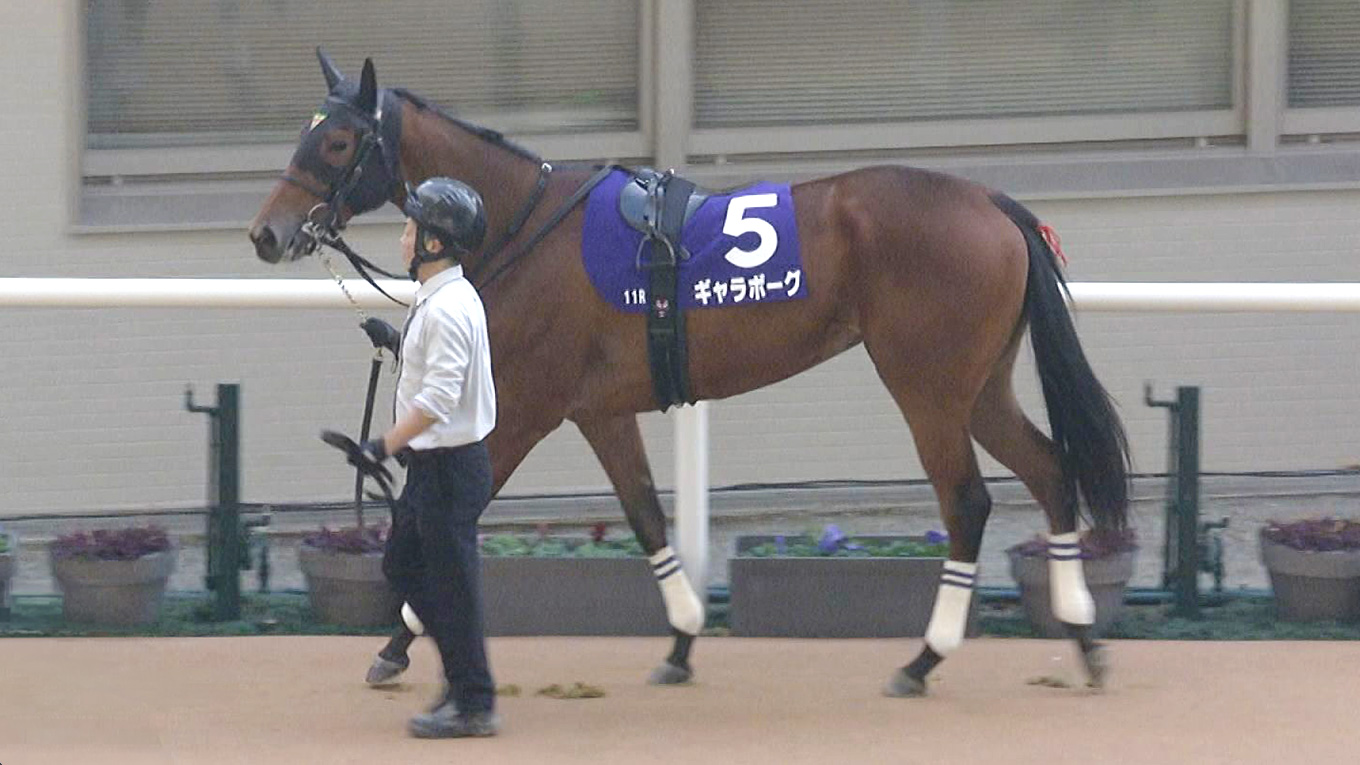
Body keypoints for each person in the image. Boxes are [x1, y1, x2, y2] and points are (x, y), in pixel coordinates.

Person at [336, 177, 499, 738]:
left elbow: (438, 400)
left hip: (448, 470)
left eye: (410, 229)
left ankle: (473, 701)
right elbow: (436, 369)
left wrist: (382, 445)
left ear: (433, 243)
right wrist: (397, 341)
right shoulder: (441, 297)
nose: (402, 238)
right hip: (438, 469)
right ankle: (462, 671)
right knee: (403, 567)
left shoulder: (446, 308)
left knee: (450, 589)